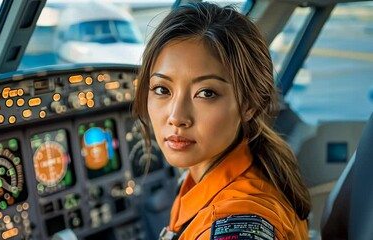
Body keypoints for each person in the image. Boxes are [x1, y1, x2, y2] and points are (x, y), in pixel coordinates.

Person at [132, 2, 311, 239]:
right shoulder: (209, 179)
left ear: (249, 105)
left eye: (206, 93)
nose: (176, 117)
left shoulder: (238, 220)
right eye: (162, 89)